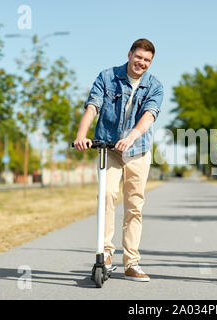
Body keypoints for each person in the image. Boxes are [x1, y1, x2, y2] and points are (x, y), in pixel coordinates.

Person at [73, 38, 164, 282]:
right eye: (138, 57)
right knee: (106, 196)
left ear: (150, 62)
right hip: (109, 149)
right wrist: (82, 135)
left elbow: (149, 115)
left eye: (147, 60)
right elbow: (92, 106)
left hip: (138, 151)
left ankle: (132, 262)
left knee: (134, 206)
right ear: (129, 54)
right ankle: (105, 254)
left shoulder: (154, 86)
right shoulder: (107, 77)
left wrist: (132, 137)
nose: (141, 63)